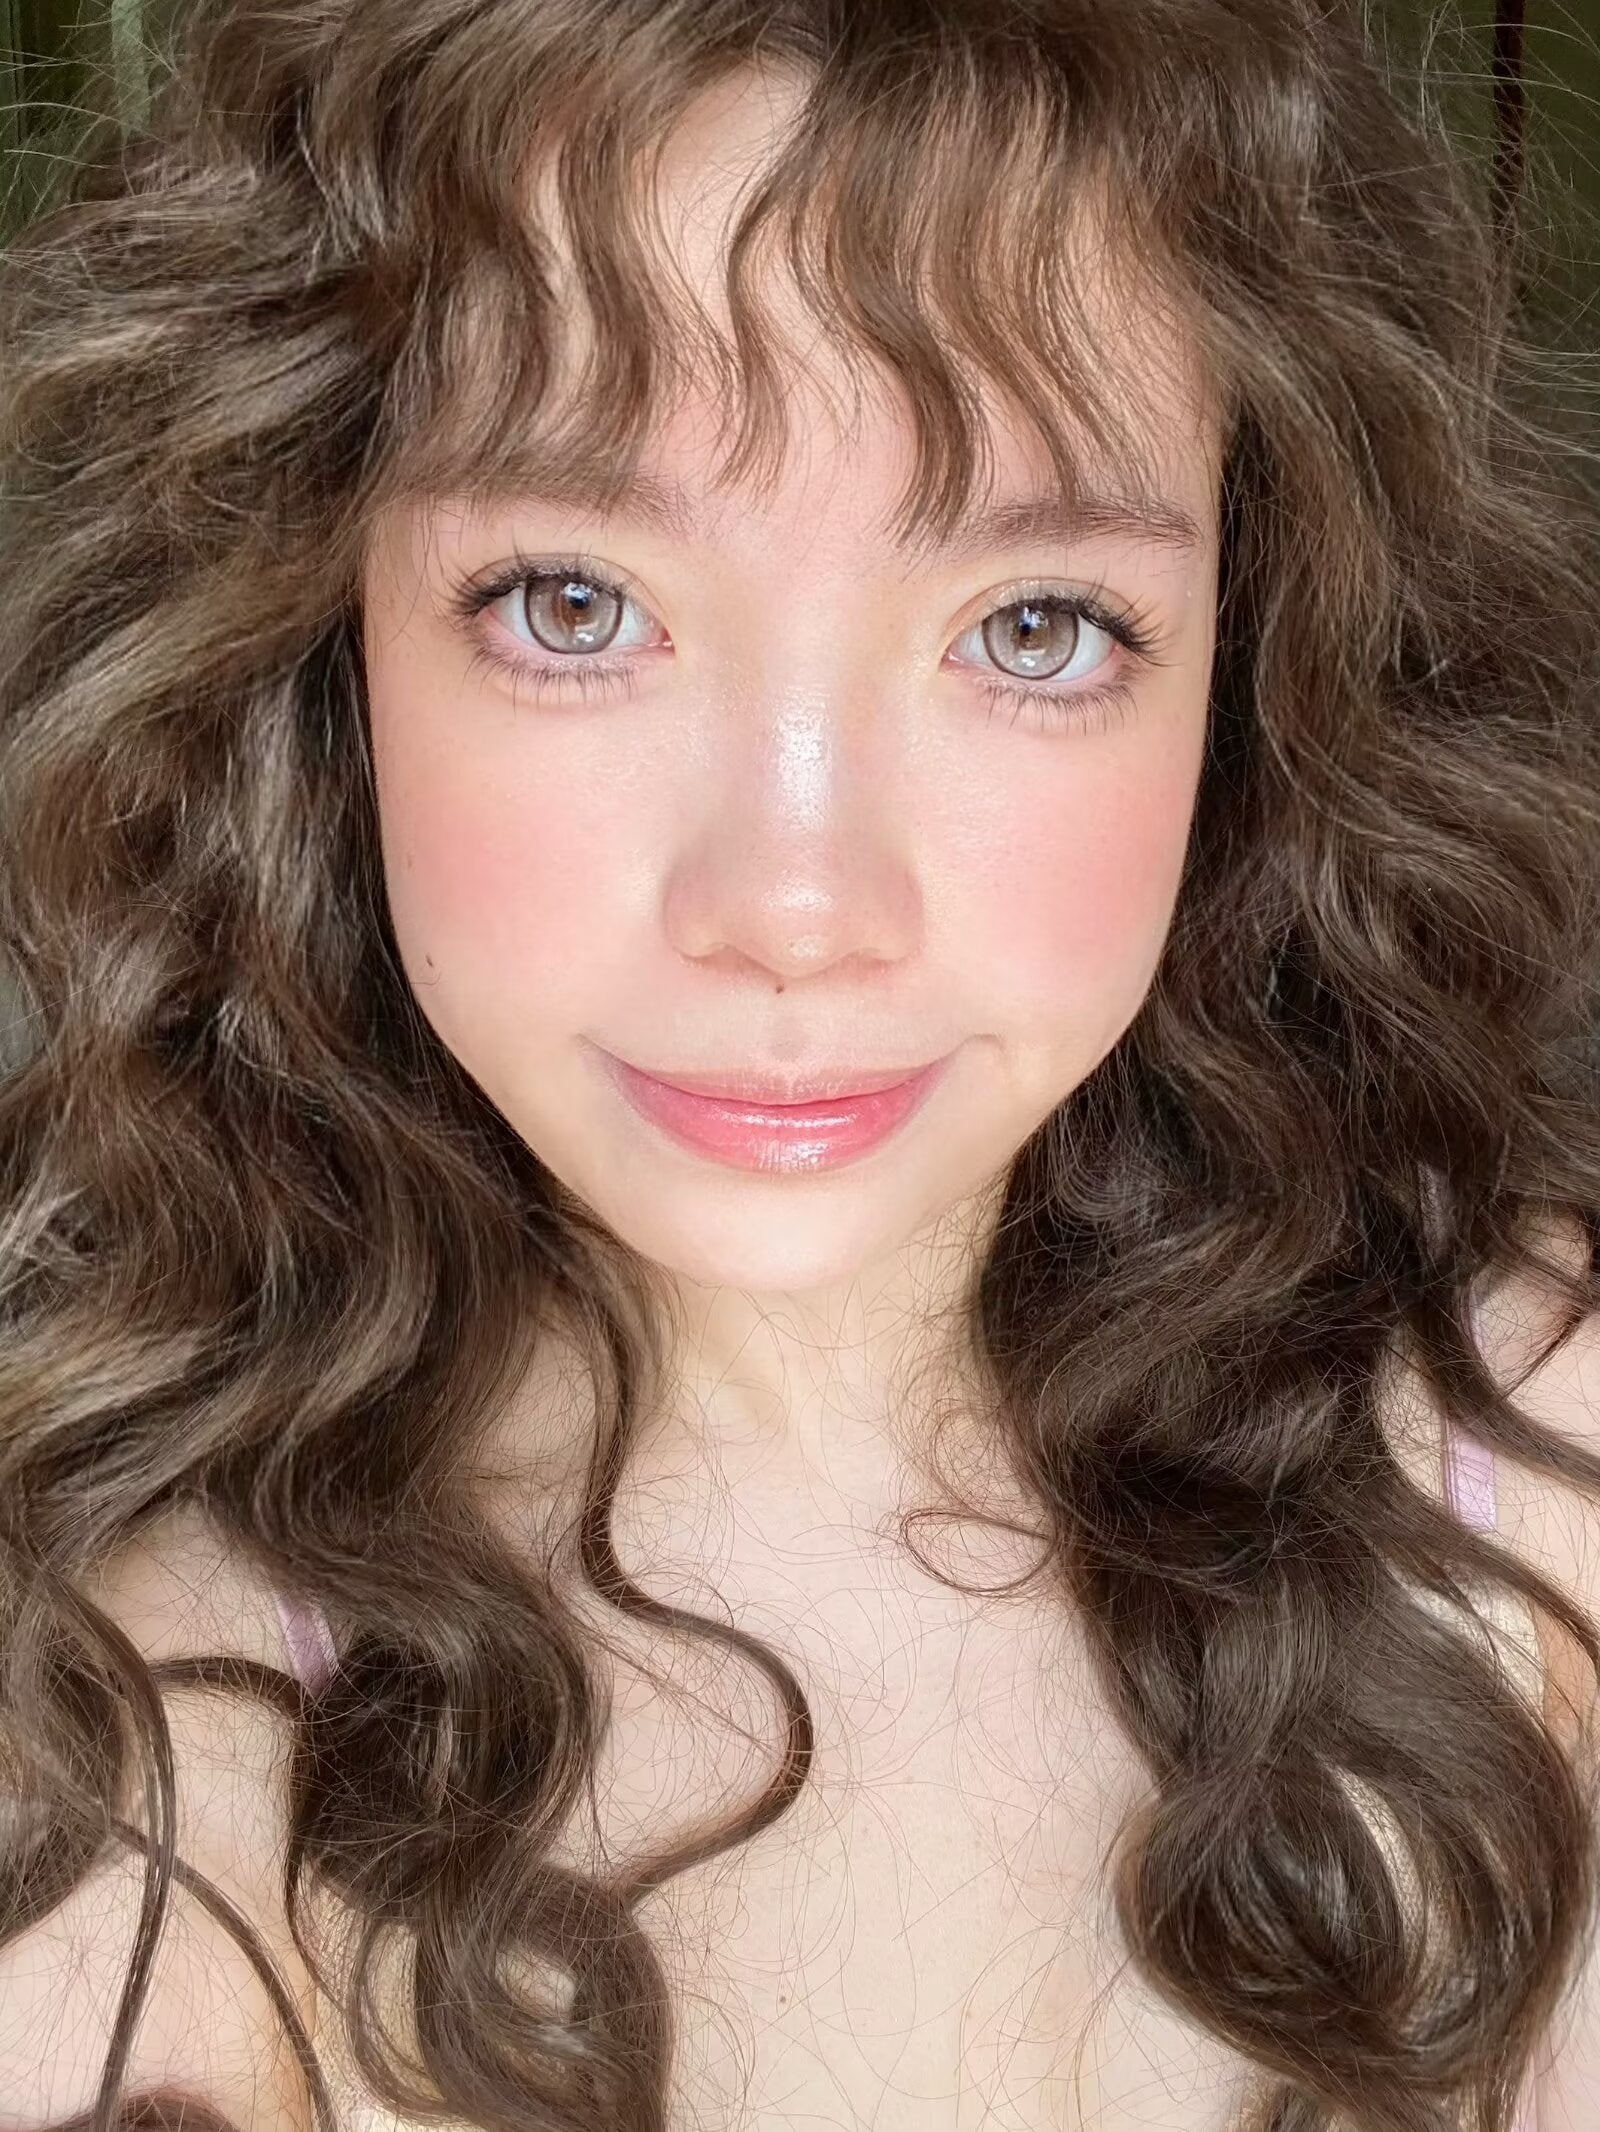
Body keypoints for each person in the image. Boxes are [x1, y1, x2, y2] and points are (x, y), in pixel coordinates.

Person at [1, 2, 1598, 2128]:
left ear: (1247, 664)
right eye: (574, 605)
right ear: (315, 628)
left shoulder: (1543, 1482)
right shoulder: (121, 1761)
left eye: (1034, 627)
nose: (794, 901)